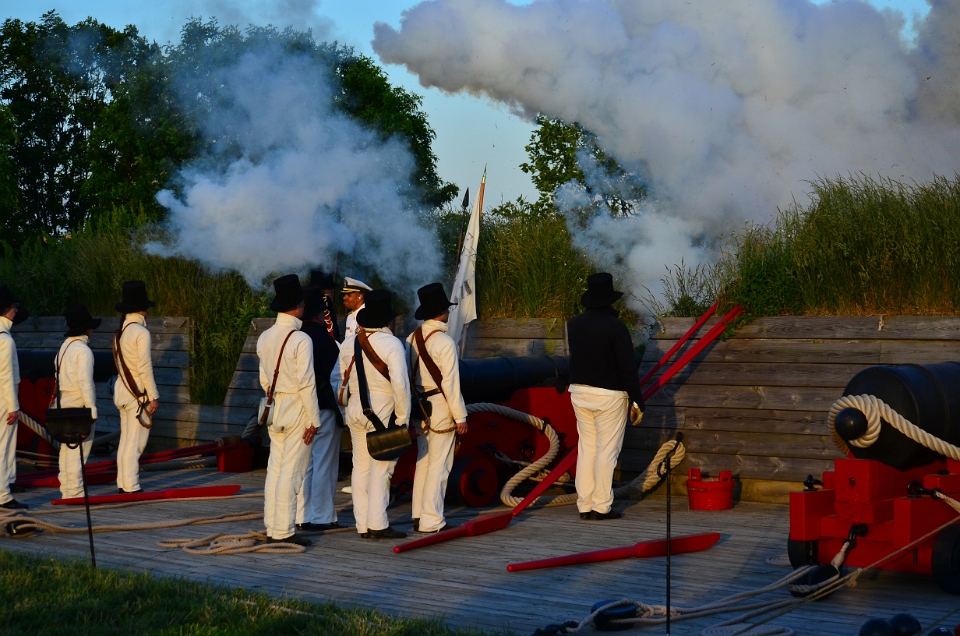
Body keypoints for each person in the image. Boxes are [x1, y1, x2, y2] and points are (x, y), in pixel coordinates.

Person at [566, 273, 644, 521]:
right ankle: (601, 506)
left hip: (579, 392)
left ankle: (584, 504)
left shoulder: (574, 324)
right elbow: (627, 368)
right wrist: (637, 400)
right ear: (611, 300)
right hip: (609, 395)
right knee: (607, 451)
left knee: (587, 448)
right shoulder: (616, 327)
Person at [338, 289, 409, 540]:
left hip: (355, 409)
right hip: (383, 410)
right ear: (388, 320)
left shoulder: (348, 344)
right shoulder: (392, 344)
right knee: (382, 470)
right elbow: (400, 383)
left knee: (360, 468)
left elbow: (342, 379)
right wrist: (402, 418)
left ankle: (362, 524)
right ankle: (378, 524)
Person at [258, 275, 321, 546]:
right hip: (297, 406)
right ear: (297, 306)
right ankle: (284, 531)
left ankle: (272, 526)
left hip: (274, 404)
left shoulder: (264, 336)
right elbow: (307, 383)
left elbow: (263, 379)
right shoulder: (301, 339)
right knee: (293, 472)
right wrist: (314, 419)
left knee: (275, 468)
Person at [407, 283, 468, 534]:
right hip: (441, 407)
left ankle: (418, 513)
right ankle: (432, 520)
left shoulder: (411, 338)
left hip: (420, 405)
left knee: (423, 461)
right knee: (439, 465)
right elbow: (451, 384)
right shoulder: (444, 342)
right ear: (442, 312)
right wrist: (461, 415)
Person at [296, 285, 343, 532]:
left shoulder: (294, 338)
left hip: (297, 409)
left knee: (305, 465)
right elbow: (337, 381)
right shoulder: (327, 341)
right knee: (324, 463)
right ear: (318, 315)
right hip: (323, 408)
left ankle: (302, 515)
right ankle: (322, 515)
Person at [113, 281, 160, 494]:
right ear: (142, 308)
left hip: (122, 391)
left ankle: (123, 483)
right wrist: (153, 396)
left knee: (125, 441)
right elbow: (144, 368)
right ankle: (131, 485)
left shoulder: (120, 332)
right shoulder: (141, 332)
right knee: (136, 443)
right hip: (136, 395)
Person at [56, 305, 101, 500]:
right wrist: (92, 410)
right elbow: (86, 383)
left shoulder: (64, 348)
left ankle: (66, 487)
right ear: (85, 329)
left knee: (67, 449)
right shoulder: (83, 351)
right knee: (79, 451)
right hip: (78, 404)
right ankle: (74, 491)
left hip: (63, 402)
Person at [0, 285, 27, 510]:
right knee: (3, 445)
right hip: (4, 399)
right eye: (14, 307)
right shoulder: (5, 340)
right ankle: (3, 495)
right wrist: (13, 407)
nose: (16, 310)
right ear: (6, 309)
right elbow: (7, 376)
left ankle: (6, 482)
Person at [308, 270, 341, 343]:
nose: (332, 291)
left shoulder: (309, 302)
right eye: (329, 288)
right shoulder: (325, 302)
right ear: (323, 290)